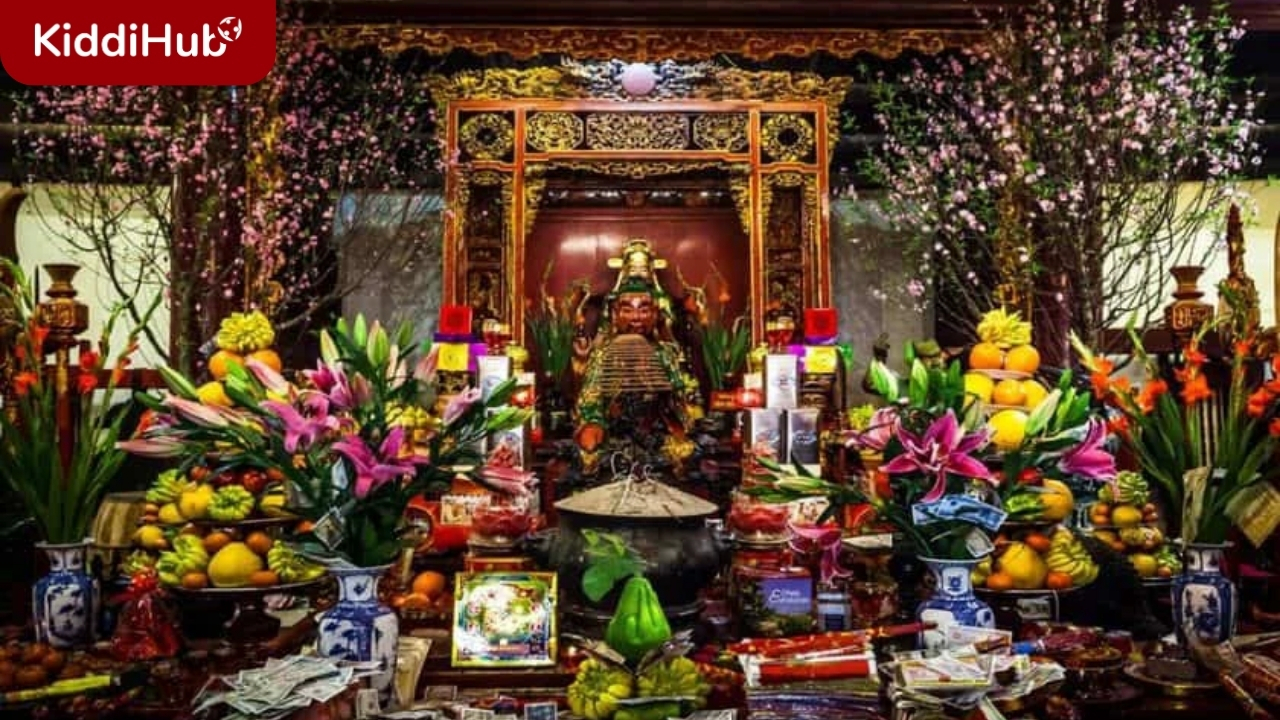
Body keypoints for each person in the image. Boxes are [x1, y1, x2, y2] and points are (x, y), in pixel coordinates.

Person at [573, 240, 698, 476]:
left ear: (656, 313)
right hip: (615, 435)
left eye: (644, 309)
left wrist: (676, 414)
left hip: (658, 435)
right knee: (590, 456)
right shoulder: (604, 354)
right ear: (615, 314)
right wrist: (593, 423)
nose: (636, 317)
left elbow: (685, 397)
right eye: (628, 309)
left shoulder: (667, 353)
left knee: (685, 453)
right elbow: (590, 399)